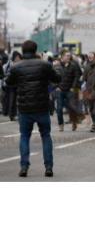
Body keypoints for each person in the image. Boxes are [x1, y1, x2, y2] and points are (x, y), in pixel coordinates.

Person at [5, 41, 62, 178]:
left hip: (25, 108)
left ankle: (24, 166)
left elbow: (8, 82)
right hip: (42, 107)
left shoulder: (17, 67)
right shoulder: (44, 64)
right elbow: (57, 78)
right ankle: (48, 166)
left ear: (23, 51)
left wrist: (10, 69)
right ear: (36, 50)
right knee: (45, 136)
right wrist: (57, 67)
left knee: (24, 136)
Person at [55, 49, 81, 132]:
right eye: (67, 56)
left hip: (69, 89)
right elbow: (52, 77)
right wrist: (56, 86)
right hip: (60, 90)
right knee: (59, 108)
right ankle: (60, 124)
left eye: (69, 56)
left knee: (72, 107)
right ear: (62, 57)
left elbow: (77, 76)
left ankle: (74, 122)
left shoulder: (73, 65)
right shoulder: (57, 66)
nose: (69, 57)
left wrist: (73, 87)